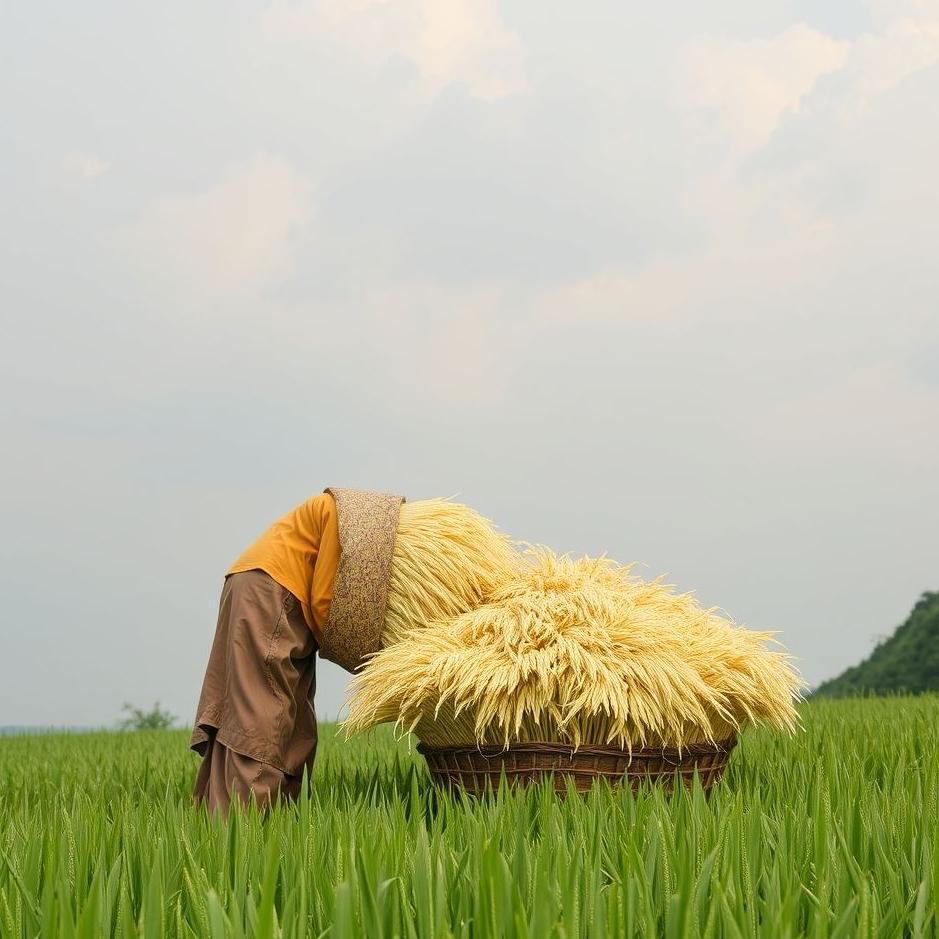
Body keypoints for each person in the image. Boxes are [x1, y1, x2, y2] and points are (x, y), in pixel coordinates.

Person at [190, 487, 405, 816]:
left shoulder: (335, 515)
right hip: (270, 591)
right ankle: (240, 832)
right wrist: (378, 660)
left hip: (264, 590)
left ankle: (273, 822)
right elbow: (325, 601)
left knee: (293, 725)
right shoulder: (341, 522)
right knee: (261, 722)